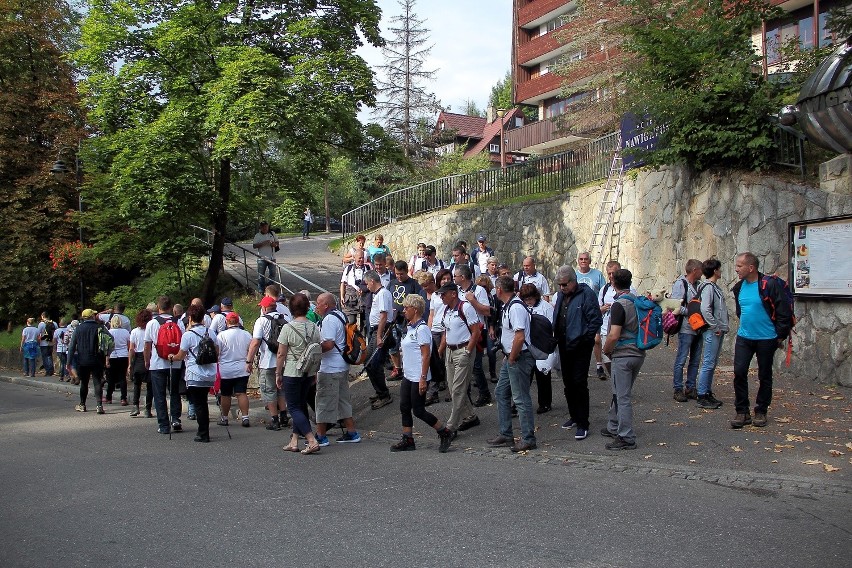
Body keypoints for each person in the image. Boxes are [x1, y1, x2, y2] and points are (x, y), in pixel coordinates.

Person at [730, 252, 793, 429]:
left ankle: (761, 411)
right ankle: (742, 411)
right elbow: (740, 312)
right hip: (744, 337)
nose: (736, 269)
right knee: (739, 372)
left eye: (739, 266)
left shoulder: (769, 284)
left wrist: (779, 335)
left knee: (764, 375)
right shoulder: (738, 287)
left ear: (751, 267)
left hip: (767, 338)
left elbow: (783, 311)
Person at [389, 294, 454, 453]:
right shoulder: (410, 326)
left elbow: (426, 355)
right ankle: (408, 438)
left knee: (418, 410)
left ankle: (444, 431)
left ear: (415, 309)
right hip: (408, 375)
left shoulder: (422, 329)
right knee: (404, 407)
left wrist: (423, 378)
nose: (404, 311)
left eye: (406, 308)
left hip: (419, 375)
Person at [488, 275, 537, 453]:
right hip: (512, 356)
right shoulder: (509, 305)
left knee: (520, 398)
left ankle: (528, 438)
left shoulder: (515, 307)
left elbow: (520, 336)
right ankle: (506, 433)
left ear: (500, 289)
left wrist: (511, 356)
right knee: (501, 392)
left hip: (519, 357)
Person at [553, 265, 602, 441]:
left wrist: (586, 339)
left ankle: (583, 423)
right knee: (567, 382)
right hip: (564, 344)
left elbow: (595, 319)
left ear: (573, 281)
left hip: (580, 345)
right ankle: (574, 416)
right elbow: (558, 315)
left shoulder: (586, 294)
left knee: (579, 382)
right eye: (559, 285)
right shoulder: (560, 295)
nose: (562, 288)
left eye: (565, 284)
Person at [601, 269, 645, 450]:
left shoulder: (619, 305)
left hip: (623, 354)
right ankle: (613, 425)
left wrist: (605, 351)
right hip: (638, 352)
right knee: (620, 391)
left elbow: (613, 335)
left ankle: (626, 436)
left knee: (623, 396)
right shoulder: (636, 301)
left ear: (613, 283)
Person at [275, 293, 323, 454]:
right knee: (301, 405)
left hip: (292, 371)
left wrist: (278, 373)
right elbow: (318, 349)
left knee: (294, 407)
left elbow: (281, 353)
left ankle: (311, 439)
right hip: (309, 371)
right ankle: (294, 441)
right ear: (307, 308)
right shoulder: (314, 326)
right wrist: (315, 370)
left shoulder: (288, 328)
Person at [313, 292, 362, 445]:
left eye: (318, 303)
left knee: (323, 402)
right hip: (342, 365)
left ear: (326, 305)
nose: (316, 306)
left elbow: (328, 344)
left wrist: (312, 349)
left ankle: (320, 436)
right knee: (343, 401)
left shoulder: (328, 320)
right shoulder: (340, 315)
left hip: (330, 368)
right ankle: (352, 432)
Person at [437, 282, 481, 438]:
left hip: (463, 350)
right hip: (450, 351)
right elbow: (445, 332)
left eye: (444, 294)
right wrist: (441, 351)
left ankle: (451, 427)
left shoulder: (466, 308)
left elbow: (475, 332)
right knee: (453, 387)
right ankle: (470, 416)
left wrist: (468, 351)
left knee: (457, 390)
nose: (441, 297)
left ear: (453, 294)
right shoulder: (447, 310)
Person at [169, 304, 219, 443]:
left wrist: (172, 357)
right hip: (209, 373)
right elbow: (217, 352)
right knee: (203, 402)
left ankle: (203, 433)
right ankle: (204, 431)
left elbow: (180, 355)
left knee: (199, 404)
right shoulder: (211, 333)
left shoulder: (188, 335)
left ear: (190, 318)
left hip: (194, 374)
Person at [144, 296, 186, 434]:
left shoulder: (152, 323)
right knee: (174, 391)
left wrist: (147, 360)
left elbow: (147, 344)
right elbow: (183, 342)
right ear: (171, 307)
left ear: (158, 306)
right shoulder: (178, 321)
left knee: (159, 394)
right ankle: (176, 419)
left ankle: (163, 425)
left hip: (157, 363)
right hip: (175, 362)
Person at [247, 295, 289, 431]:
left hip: (267, 361)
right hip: (284, 361)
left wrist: (249, 360)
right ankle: (284, 416)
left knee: (269, 390)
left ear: (265, 308)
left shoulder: (261, 321)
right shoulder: (286, 319)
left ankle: (274, 419)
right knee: (281, 389)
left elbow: (255, 343)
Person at [454, 263, 492, 407]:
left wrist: (472, 300)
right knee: (463, 364)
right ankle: (466, 393)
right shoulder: (456, 290)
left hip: (476, 330)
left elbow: (487, 311)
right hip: (461, 331)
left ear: (462, 277)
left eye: (455, 276)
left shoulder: (479, 290)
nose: (454, 279)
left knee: (476, 364)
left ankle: (484, 393)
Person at [671, 259, 704, 402]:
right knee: (681, 359)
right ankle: (677, 388)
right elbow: (675, 306)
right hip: (686, 327)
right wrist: (692, 312)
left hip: (699, 327)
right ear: (695, 270)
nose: (702, 273)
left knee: (695, 360)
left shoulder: (699, 285)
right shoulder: (681, 284)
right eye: (701, 270)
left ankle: (690, 387)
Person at [696, 258, 728, 409]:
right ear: (715, 271)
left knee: (711, 362)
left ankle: (707, 391)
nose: (721, 271)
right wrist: (715, 326)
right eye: (719, 269)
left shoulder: (712, 287)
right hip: (712, 330)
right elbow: (705, 309)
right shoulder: (709, 287)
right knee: (708, 362)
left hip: (716, 329)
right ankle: (702, 394)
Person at [519, 284, 554, 414]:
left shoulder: (545, 307)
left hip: (541, 345)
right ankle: (519, 403)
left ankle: (545, 403)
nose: (528, 301)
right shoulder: (522, 307)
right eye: (525, 299)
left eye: (530, 298)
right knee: (524, 376)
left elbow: (551, 326)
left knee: (542, 375)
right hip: (527, 345)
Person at [386, 260, 423, 380]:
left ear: (406, 272)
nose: (399, 276)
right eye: (397, 274)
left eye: (401, 274)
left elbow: (419, 302)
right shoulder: (391, 283)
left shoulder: (413, 284)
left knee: (408, 346)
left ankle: (410, 369)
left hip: (408, 322)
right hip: (393, 321)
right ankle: (397, 369)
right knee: (392, 347)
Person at [598, 261, 635, 380]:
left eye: (614, 273)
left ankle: (621, 383)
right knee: (606, 358)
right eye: (609, 273)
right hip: (606, 329)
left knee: (622, 359)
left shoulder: (631, 290)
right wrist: (602, 309)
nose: (611, 276)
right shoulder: (604, 289)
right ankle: (615, 379)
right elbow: (597, 308)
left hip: (624, 331)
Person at [67, 309, 108, 414]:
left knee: (84, 383)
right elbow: (108, 341)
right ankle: (99, 405)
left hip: (83, 360)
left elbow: (71, 346)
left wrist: (69, 362)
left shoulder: (78, 328)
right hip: (97, 359)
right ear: (92, 316)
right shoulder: (100, 327)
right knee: (97, 382)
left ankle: (82, 404)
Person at [216, 312, 253, 427]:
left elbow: (218, 352)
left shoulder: (221, 335)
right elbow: (250, 350)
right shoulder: (246, 334)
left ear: (226, 322)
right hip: (242, 368)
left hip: (226, 369)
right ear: (238, 321)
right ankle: (245, 417)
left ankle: (225, 418)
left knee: (225, 394)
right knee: (241, 393)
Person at [363, 270, 393, 409]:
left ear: (372, 281)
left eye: (367, 283)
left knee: (374, 363)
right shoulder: (378, 294)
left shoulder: (382, 294)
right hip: (376, 331)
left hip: (380, 331)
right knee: (368, 362)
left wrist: (380, 335)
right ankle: (379, 390)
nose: (366, 286)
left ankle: (384, 394)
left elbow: (383, 316)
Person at [575, 252, 607, 379]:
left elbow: (604, 291)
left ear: (590, 260)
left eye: (586, 259)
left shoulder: (597, 275)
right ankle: (579, 367)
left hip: (594, 311)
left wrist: (602, 307)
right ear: (578, 261)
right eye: (581, 259)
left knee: (597, 340)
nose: (583, 261)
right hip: (579, 312)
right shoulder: (574, 275)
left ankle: (599, 366)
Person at [425, 268, 452, 404]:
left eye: (448, 278)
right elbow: (431, 314)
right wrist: (428, 332)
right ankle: (433, 393)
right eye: (443, 279)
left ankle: (451, 390)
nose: (446, 281)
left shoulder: (454, 294)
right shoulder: (435, 295)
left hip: (449, 330)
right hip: (436, 329)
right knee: (434, 362)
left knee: (448, 361)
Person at [128, 309, 153, 418]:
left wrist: (129, 364)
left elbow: (131, 349)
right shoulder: (151, 330)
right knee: (150, 385)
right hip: (150, 356)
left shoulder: (134, 332)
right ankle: (147, 408)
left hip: (138, 358)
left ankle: (135, 406)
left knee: (137, 384)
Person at [105, 315, 131, 405]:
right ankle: (123, 398)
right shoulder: (126, 332)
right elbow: (129, 345)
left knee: (111, 378)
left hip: (112, 356)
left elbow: (107, 347)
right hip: (123, 355)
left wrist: (107, 359)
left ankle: (109, 397)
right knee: (122, 377)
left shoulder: (109, 332)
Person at [340, 252, 367, 326]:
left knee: (365, 324)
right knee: (350, 322)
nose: (361, 259)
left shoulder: (368, 268)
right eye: (359, 258)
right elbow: (343, 283)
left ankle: (362, 337)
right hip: (351, 298)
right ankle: (350, 337)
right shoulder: (348, 268)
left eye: (362, 257)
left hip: (364, 298)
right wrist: (342, 296)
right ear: (354, 258)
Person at [252, 221, 279, 293]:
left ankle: (269, 289)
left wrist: (274, 244)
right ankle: (261, 290)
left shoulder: (272, 233)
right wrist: (263, 243)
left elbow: (277, 243)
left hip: (272, 258)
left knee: (273, 273)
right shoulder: (257, 235)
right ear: (260, 228)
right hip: (261, 258)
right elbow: (254, 246)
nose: (265, 228)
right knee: (261, 275)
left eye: (266, 227)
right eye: (263, 227)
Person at [37, 312, 56, 376]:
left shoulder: (41, 324)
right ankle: (51, 370)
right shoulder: (54, 323)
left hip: (43, 343)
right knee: (50, 356)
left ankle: (48, 371)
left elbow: (38, 333)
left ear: (42, 316)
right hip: (51, 342)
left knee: (45, 357)